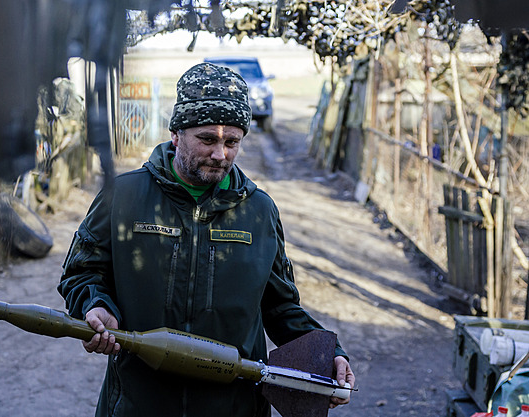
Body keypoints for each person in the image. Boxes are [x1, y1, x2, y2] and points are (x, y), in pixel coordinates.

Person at [58, 62, 355, 417]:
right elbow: (81, 272)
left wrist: (330, 352)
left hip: (235, 407)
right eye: (207, 139)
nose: (220, 155)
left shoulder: (259, 212)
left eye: (232, 142)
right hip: (138, 404)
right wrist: (94, 304)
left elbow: (280, 308)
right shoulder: (122, 196)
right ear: (176, 133)